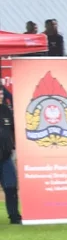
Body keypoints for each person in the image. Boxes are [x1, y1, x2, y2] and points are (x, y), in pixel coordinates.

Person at [1, 89, 20, 224]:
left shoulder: (6, 110)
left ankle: (14, 216)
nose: (1, 95)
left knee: (11, 187)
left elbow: (15, 128)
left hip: (6, 157)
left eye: (2, 93)